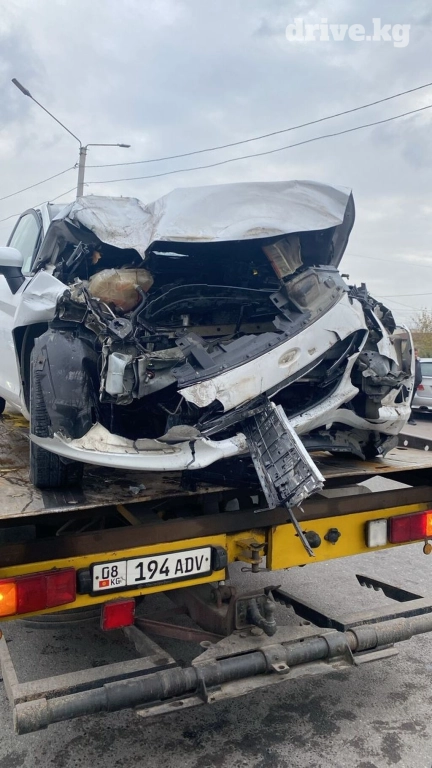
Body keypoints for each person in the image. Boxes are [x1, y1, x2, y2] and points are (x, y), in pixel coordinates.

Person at [408, 348, 422, 425]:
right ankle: (410, 419)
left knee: (410, 402)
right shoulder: (409, 362)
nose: (416, 355)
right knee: (409, 403)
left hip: (415, 385)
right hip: (409, 386)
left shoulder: (417, 362)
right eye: (414, 354)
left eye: (416, 354)